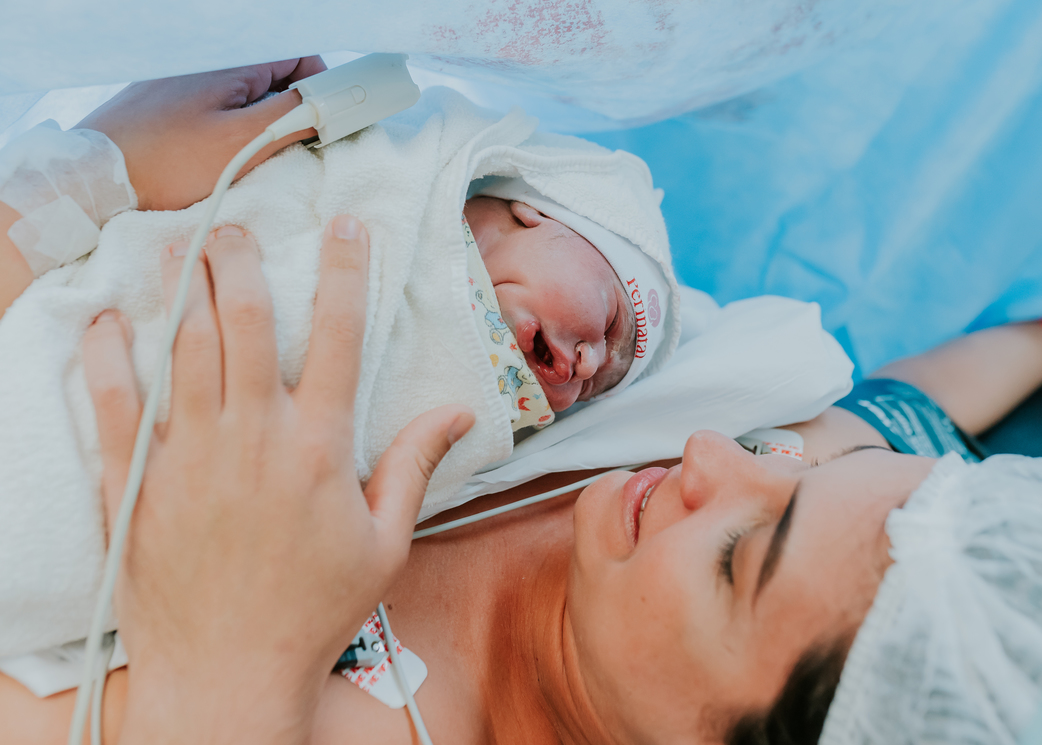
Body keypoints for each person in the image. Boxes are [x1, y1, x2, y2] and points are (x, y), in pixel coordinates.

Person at [0, 63, 1042, 745]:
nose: (716, 456)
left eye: (737, 560)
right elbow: (901, 415)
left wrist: (224, 683)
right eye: (794, 469)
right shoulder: (723, 448)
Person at [0, 62, 680, 660]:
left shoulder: (473, 429)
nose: (589, 362)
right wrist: (93, 176)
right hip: (69, 365)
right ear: (534, 211)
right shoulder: (385, 182)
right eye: (609, 322)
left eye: (600, 383)